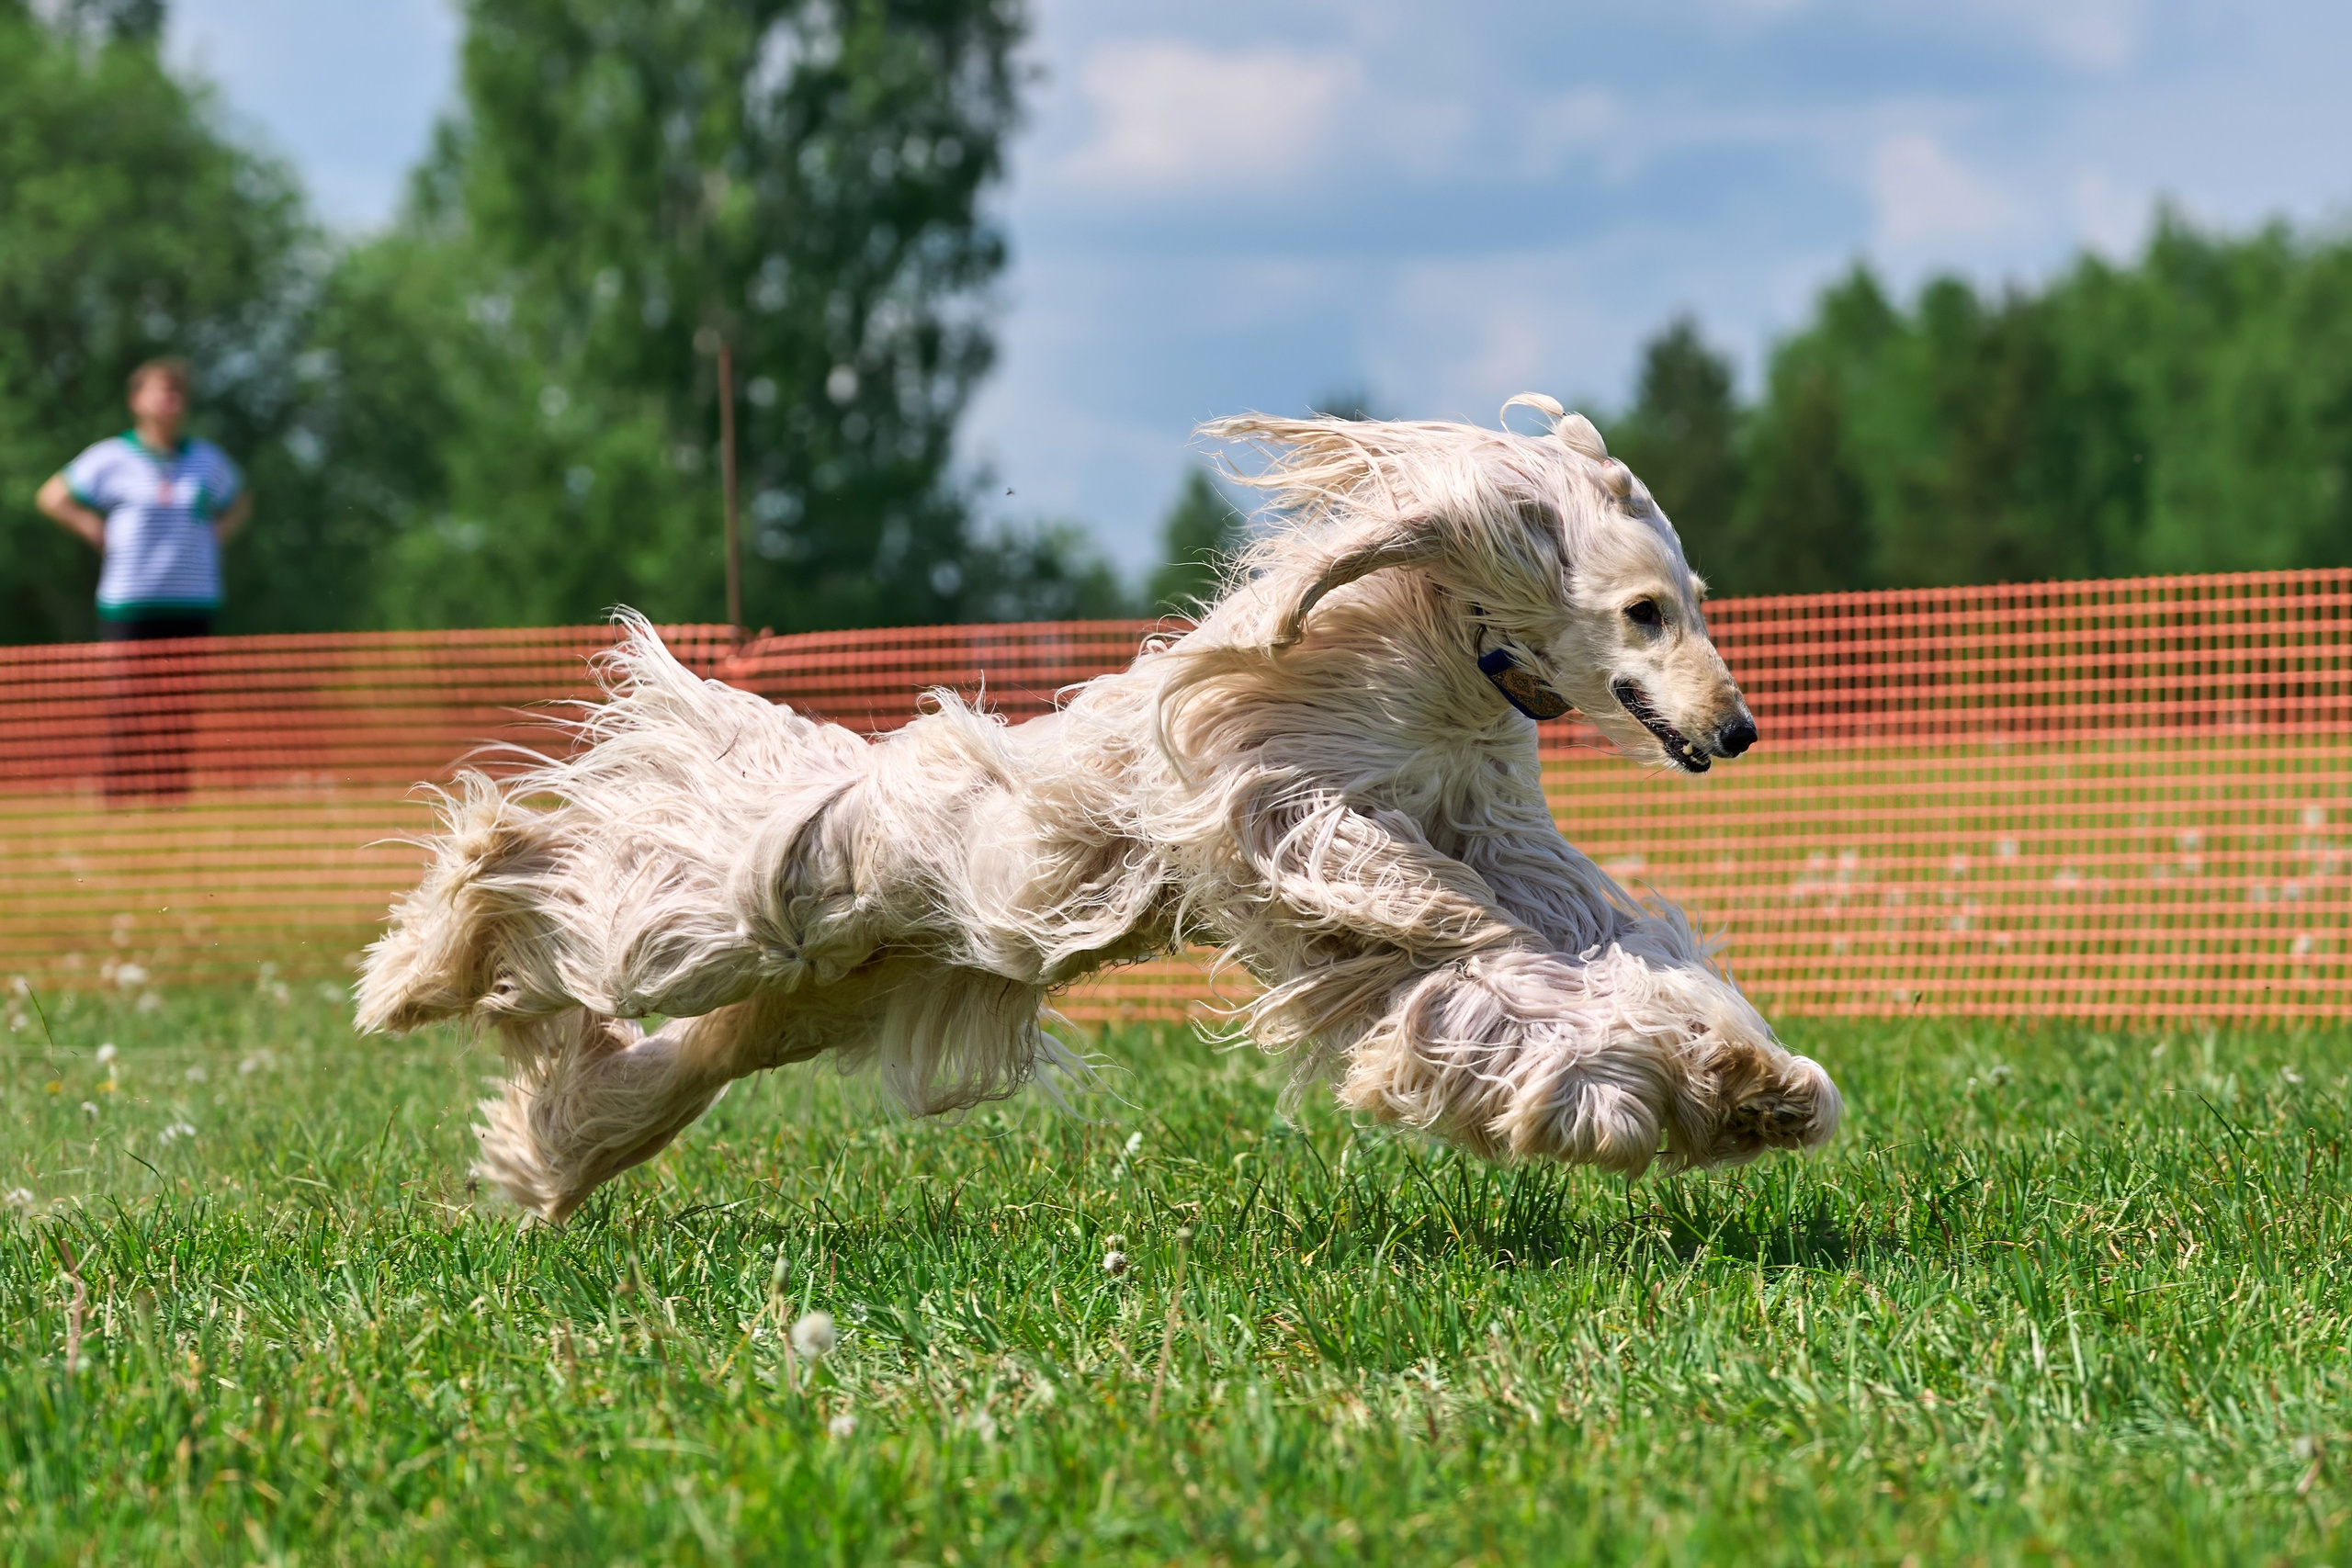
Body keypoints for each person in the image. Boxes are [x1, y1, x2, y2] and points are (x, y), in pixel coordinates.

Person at [34, 357, 253, 801]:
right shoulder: (112, 457)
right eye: (160, 391)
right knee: (128, 701)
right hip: (130, 599)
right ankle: (119, 799)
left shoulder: (205, 460)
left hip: (193, 600)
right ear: (137, 400)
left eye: (177, 392)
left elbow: (241, 498)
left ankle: (170, 799)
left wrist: (218, 533)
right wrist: (92, 527)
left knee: (180, 705)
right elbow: (53, 496)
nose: (169, 401)